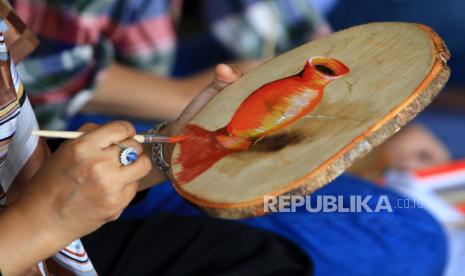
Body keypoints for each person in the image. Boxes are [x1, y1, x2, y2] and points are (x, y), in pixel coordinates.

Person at [0, 4, 313, 274]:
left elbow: (15, 144)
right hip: (24, 239)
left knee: (263, 258)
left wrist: (172, 145)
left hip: (33, 224)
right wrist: (45, 219)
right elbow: (53, 71)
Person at [11, 0, 331, 130]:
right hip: (39, 115)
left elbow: (279, 18)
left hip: (149, 58)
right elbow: (36, 66)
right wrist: (184, 96)